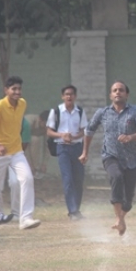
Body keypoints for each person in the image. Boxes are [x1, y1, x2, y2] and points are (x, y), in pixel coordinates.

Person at [80, 81, 136, 236]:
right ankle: (118, 219)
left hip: (132, 160)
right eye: (115, 90)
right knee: (116, 177)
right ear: (110, 95)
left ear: (127, 94)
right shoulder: (102, 113)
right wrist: (85, 153)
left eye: (121, 90)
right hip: (110, 156)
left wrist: (131, 137)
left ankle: (121, 219)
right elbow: (89, 131)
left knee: (128, 200)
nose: (118, 92)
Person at [0, 76, 41, 230]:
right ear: (6, 90)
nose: (17, 92)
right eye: (13, 89)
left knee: (27, 178)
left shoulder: (22, 103)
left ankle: (25, 218)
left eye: (19, 89)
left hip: (16, 152)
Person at [47, 85, 88, 220]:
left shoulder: (80, 111)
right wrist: (62, 135)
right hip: (62, 148)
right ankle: (72, 210)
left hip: (77, 147)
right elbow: (49, 131)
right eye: (66, 94)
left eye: (71, 94)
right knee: (67, 178)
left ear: (75, 96)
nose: (69, 97)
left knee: (78, 179)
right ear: (62, 96)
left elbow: (84, 130)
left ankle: (77, 209)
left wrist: (75, 137)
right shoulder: (56, 111)